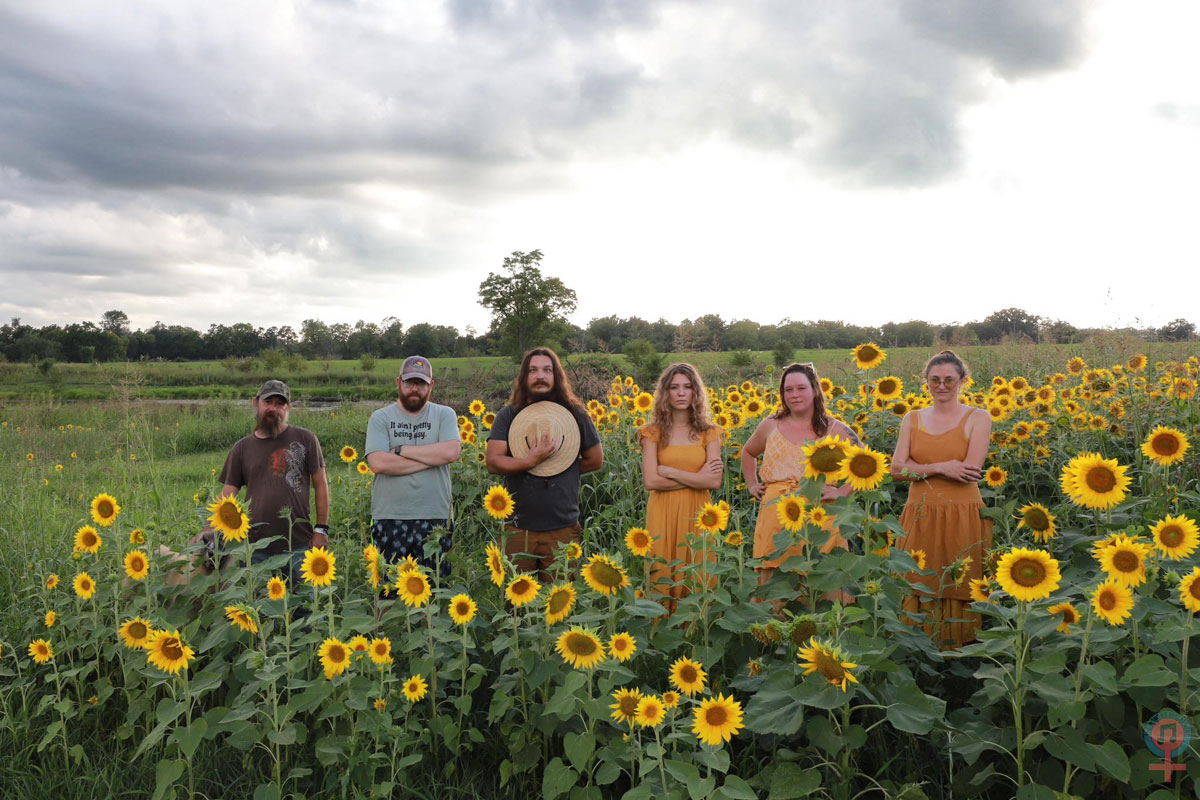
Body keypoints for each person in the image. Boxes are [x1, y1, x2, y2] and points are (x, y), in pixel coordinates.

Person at [890, 349, 992, 648]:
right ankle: (918, 653)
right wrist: (941, 467)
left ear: (962, 381)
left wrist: (918, 470)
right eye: (934, 380)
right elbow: (896, 470)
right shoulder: (912, 418)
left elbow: (970, 472)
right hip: (919, 513)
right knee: (916, 580)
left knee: (960, 582)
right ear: (927, 383)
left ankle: (957, 659)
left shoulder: (978, 417)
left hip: (963, 513)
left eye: (949, 379)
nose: (942, 385)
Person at [485, 347, 603, 580]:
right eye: (533, 370)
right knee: (516, 607)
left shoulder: (576, 414)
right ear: (524, 377)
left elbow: (595, 460)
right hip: (517, 528)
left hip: (563, 527)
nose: (540, 376)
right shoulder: (508, 415)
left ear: (556, 376)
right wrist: (531, 461)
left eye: (547, 370)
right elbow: (494, 462)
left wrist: (560, 465)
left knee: (561, 602)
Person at [741, 362, 859, 586]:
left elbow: (865, 464)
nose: (794, 395)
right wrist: (751, 484)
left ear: (815, 390)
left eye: (801, 388)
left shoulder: (835, 429)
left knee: (822, 581)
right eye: (788, 390)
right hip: (776, 519)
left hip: (820, 518)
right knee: (778, 585)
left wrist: (842, 491)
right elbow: (748, 452)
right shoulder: (770, 426)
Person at [200, 380, 330, 582]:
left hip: (298, 544)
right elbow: (228, 493)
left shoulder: (305, 439)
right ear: (256, 403)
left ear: (288, 408)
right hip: (255, 547)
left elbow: (321, 484)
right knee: (259, 606)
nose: (273, 409)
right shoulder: (242, 448)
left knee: (304, 605)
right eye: (268, 402)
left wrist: (321, 529)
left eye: (280, 404)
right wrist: (209, 528)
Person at [364, 355, 462, 576]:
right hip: (389, 516)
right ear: (399, 382)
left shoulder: (445, 414)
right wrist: (430, 458)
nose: (415, 389)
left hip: (436, 519)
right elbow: (378, 463)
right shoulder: (381, 418)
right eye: (410, 383)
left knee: (435, 591)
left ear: (431, 386)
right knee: (388, 594)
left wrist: (401, 450)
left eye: (421, 383)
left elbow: (450, 452)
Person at [638, 363, 723, 602]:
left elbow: (714, 481)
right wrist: (698, 479)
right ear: (665, 393)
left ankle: (697, 630)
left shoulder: (710, 433)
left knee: (699, 571)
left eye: (687, 387)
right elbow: (651, 480)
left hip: (699, 513)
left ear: (696, 392)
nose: (681, 393)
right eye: (674, 387)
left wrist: (670, 472)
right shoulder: (651, 433)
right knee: (662, 572)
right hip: (662, 512)